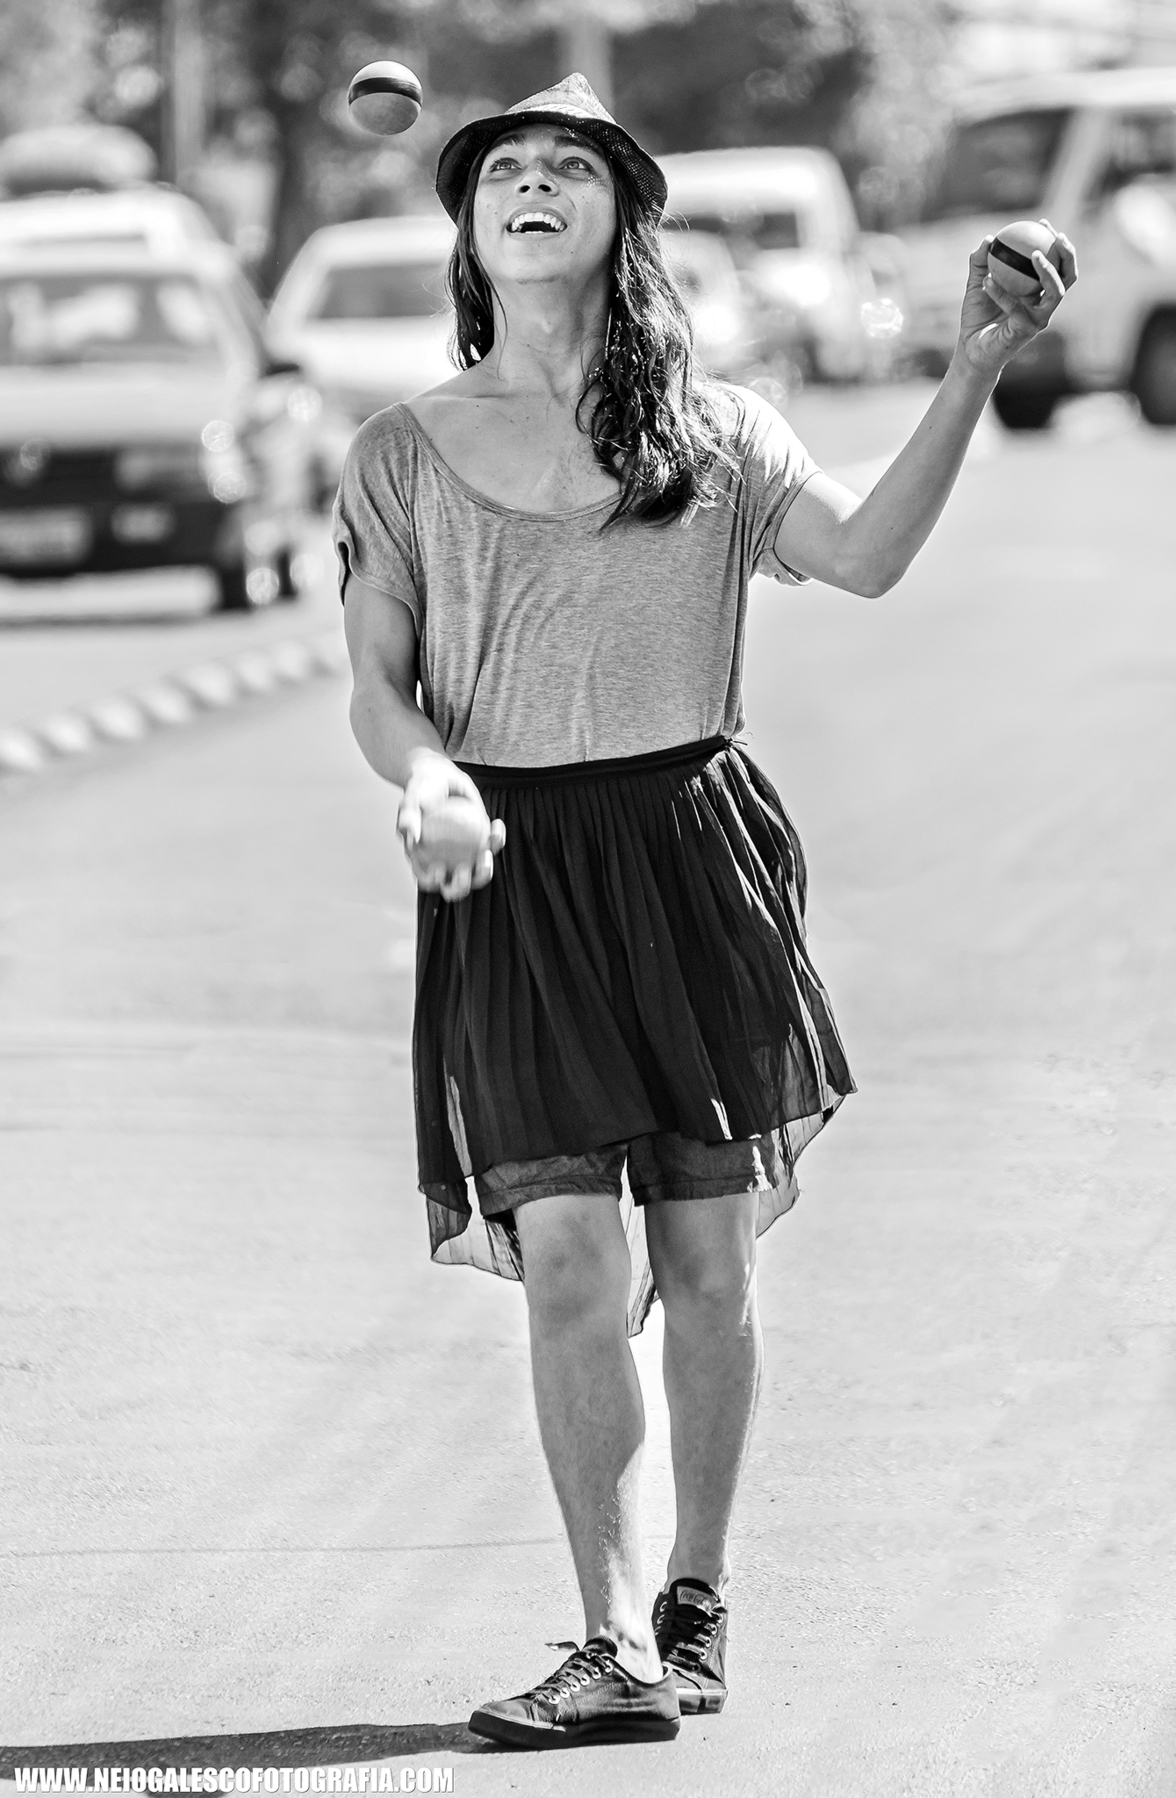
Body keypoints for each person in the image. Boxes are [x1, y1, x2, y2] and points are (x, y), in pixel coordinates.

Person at [334, 74, 1076, 1751]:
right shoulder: (399, 454)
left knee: (708, 1260)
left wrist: (973, 365)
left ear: (623, 220)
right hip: (514, 867)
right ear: (471, 228)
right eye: (503, 171)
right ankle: (608, 1642)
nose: (530, 185)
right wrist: (429, 778)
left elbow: (865, 554)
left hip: (691, 849)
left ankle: (694, 1596)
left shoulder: (718, 432)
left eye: (567, 168)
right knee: (569, 1258)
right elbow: (378, 682)